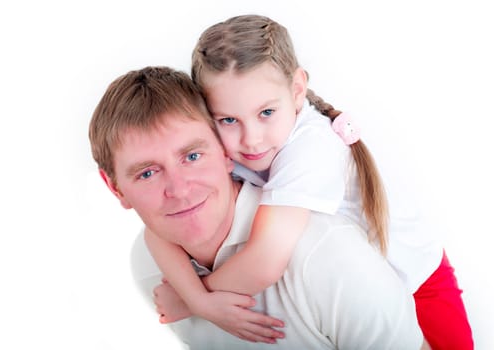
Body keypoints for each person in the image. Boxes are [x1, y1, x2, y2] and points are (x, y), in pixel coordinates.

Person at [145, 15, 473, 350]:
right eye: (229, 120)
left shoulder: (310, 148)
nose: (252, 140)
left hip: (419, 282)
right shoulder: (229, 152)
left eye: (266, 113)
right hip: (345, 294)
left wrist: (193, 301)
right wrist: (196, 296)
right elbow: (155, 231)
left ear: (297, 90)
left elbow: (266, 259)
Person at [89, 65, 429, 349]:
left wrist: (195, 298)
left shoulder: (329, 258)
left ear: (225, 152)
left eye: (192, 156)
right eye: (147, 173)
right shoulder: (148, 264)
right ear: (115, 187)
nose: (178, 190)